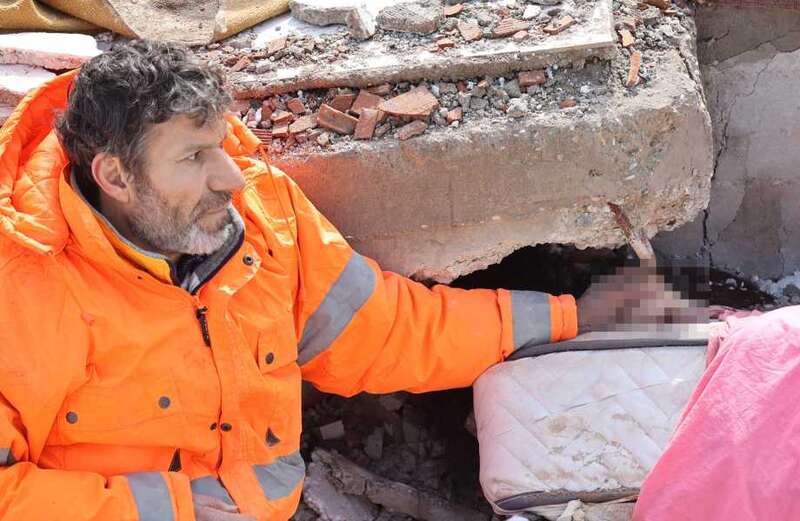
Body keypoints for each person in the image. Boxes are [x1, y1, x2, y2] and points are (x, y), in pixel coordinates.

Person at [0, 40, 690, 520]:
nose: (230, 177)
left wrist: (572, 317)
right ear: (114, 176)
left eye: (221, 143)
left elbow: (388, 330)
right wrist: (170, 510)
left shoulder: (263, 215)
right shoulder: (23, 285)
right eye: (193, 158)